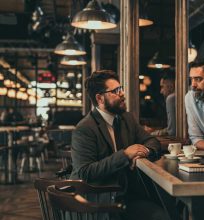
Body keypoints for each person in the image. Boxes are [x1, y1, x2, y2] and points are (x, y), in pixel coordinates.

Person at [70, 70, 165, 219]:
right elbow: (85, 172)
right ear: (100, 98)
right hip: (97, 201)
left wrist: (144, 150)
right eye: (115, 91)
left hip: (126, 194)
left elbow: (152, 141)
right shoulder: (85, 128)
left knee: (163, 213)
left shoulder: (126, 118)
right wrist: (126, 155)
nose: (122, 94)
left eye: (121, 89)